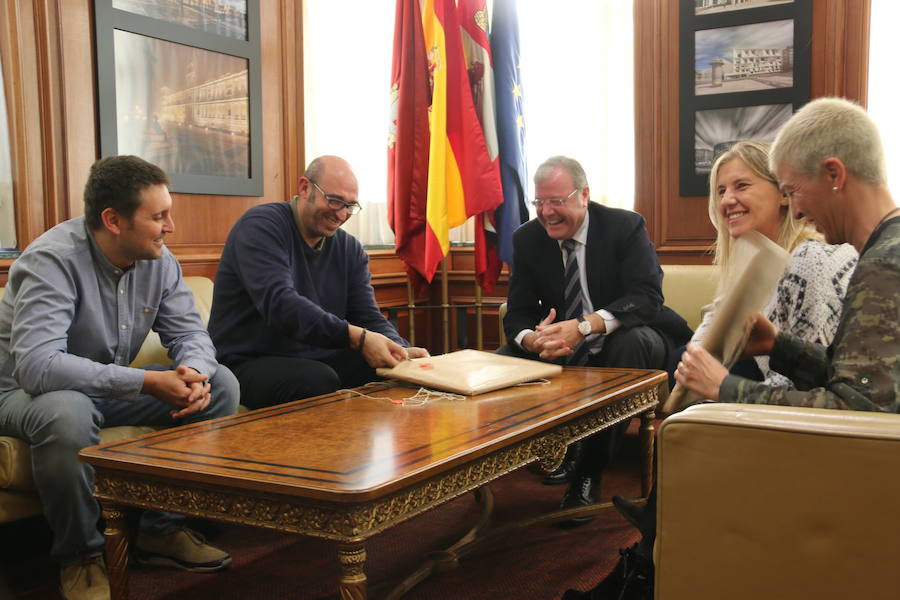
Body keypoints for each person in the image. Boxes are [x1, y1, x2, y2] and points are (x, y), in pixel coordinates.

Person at [567, 97, 900, 600]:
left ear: (833, 173)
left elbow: (858, 414)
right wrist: (779, 346)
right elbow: (860, 383)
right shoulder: (883, 249)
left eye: (793, 190)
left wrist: (727, 387)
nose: (799, 208)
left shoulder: (873, 264)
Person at [0, 156, 240, 600]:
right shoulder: (52, 261)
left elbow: (190, 333)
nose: (170, 226)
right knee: (67, 412)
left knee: (222, 384)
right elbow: (37, 366)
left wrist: (195, 371)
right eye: (158, 216)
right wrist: (147, 383)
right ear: (113, 220)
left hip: (97, 389)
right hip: (21, 392)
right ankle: (81, 557)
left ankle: (159, 531)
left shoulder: (158, 260)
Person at [499, 156, 691, 523]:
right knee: (504, 358)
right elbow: (518, 310)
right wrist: (532, 341)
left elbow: (648, 297)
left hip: (638, 337)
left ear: (584, 195)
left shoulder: (624, 226)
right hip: (564, 347)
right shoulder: (527, 238)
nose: (546, 212)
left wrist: (585, 326)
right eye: (539, 202)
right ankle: (543, 456)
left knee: (627, 345)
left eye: (556, 201)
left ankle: (589, 471)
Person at [209, 155, 428, 410]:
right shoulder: (262, 226)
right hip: (245, 361)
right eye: (335, 200)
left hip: (314, 357)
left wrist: (400, 351)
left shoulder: (350, 248)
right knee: (315, 379)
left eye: (350, 205)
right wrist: (358, 337)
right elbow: (282, 306)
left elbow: (367, 316)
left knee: (390, 371)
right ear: (304, 188)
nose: (342, 214)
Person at [686, 140, 857, 387]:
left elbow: (812, 383)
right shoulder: (753, 262)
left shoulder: (813, 259)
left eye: (741, 186)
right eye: (721, 191)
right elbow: (707, 335)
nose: (727, 200)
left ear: (784, 194)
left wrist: (720, 388)